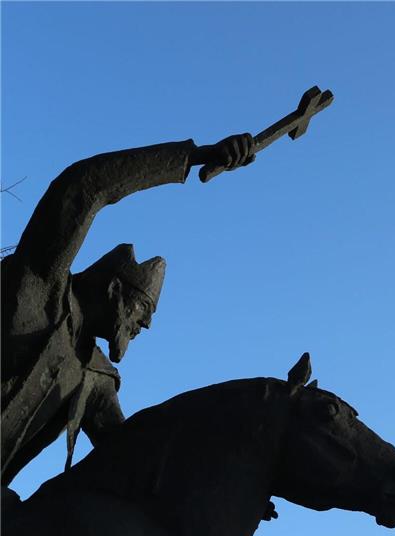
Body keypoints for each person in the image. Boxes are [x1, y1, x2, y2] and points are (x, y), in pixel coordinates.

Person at [1, 133, 255, 486]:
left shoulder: (94, 376)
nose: (145, 325)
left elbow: (130, 453)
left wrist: (227, 483)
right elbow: (84, 187)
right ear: (114, 289)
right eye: (143, 309)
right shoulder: (41, 289)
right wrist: (192, 157)